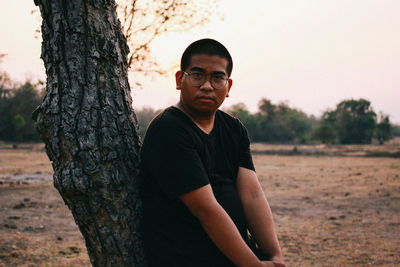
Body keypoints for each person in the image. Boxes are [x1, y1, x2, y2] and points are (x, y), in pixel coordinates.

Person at [140, 38, 285, 267]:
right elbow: (204, 209)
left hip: (237, 257)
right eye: (197, 75)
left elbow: (252, 196)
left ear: (228, 87)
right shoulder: (168, 130)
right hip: (187, 259)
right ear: (179, 80)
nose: (207, 86)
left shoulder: (233, 129)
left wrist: (275, 256)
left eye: (217, 78)